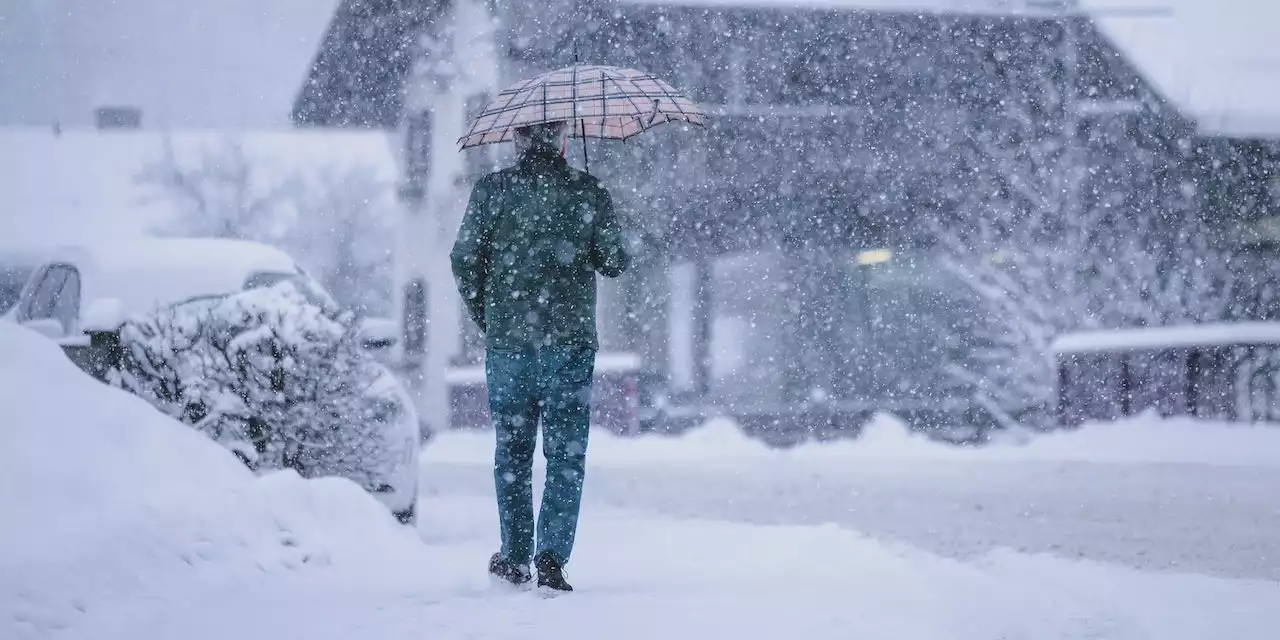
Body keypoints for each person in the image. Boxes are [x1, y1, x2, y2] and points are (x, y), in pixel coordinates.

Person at [450, 121, 630, 592]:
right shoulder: (587, 192)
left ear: (518, 141)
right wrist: (593, 212)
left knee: (512, 452)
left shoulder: (492, 192)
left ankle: (513, 556)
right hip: (569, 346)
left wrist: (489, 316)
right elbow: (615, 261)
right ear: (563, 141)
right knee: (566, 455)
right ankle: (551, 558)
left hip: (510, 348)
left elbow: (463, 258)